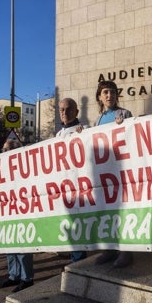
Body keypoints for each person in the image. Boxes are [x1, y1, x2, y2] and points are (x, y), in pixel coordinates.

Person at [92, 81, 134, 268]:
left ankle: (126, 250)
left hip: (120, 171)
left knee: (122, 211)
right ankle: (109, 249)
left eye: (112, 92)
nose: (109, 96)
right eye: (105, 92)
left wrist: (123, 126)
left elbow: (132, 137)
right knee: (106, 211)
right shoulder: (98, 120)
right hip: (104, 173)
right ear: (100, 96)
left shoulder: (124, 114)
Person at [0, 139, 35, 293]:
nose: (4, 153)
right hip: (6, 209)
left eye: (7, 150)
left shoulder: (25, 165)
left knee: (22, 245)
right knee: (9, 244)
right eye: (3, 150)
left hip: (21, 209)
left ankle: (27, 278)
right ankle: (14, 275)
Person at [56, 97, 87, 263]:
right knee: (69, 221)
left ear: (76, 112)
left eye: (68, 109)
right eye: (61, 110)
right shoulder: (59, 134)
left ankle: (78, 260)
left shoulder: (84, 130)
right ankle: (73, 254)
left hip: (79, 185)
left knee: (78, 222)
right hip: (64, 185)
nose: (64, 112)